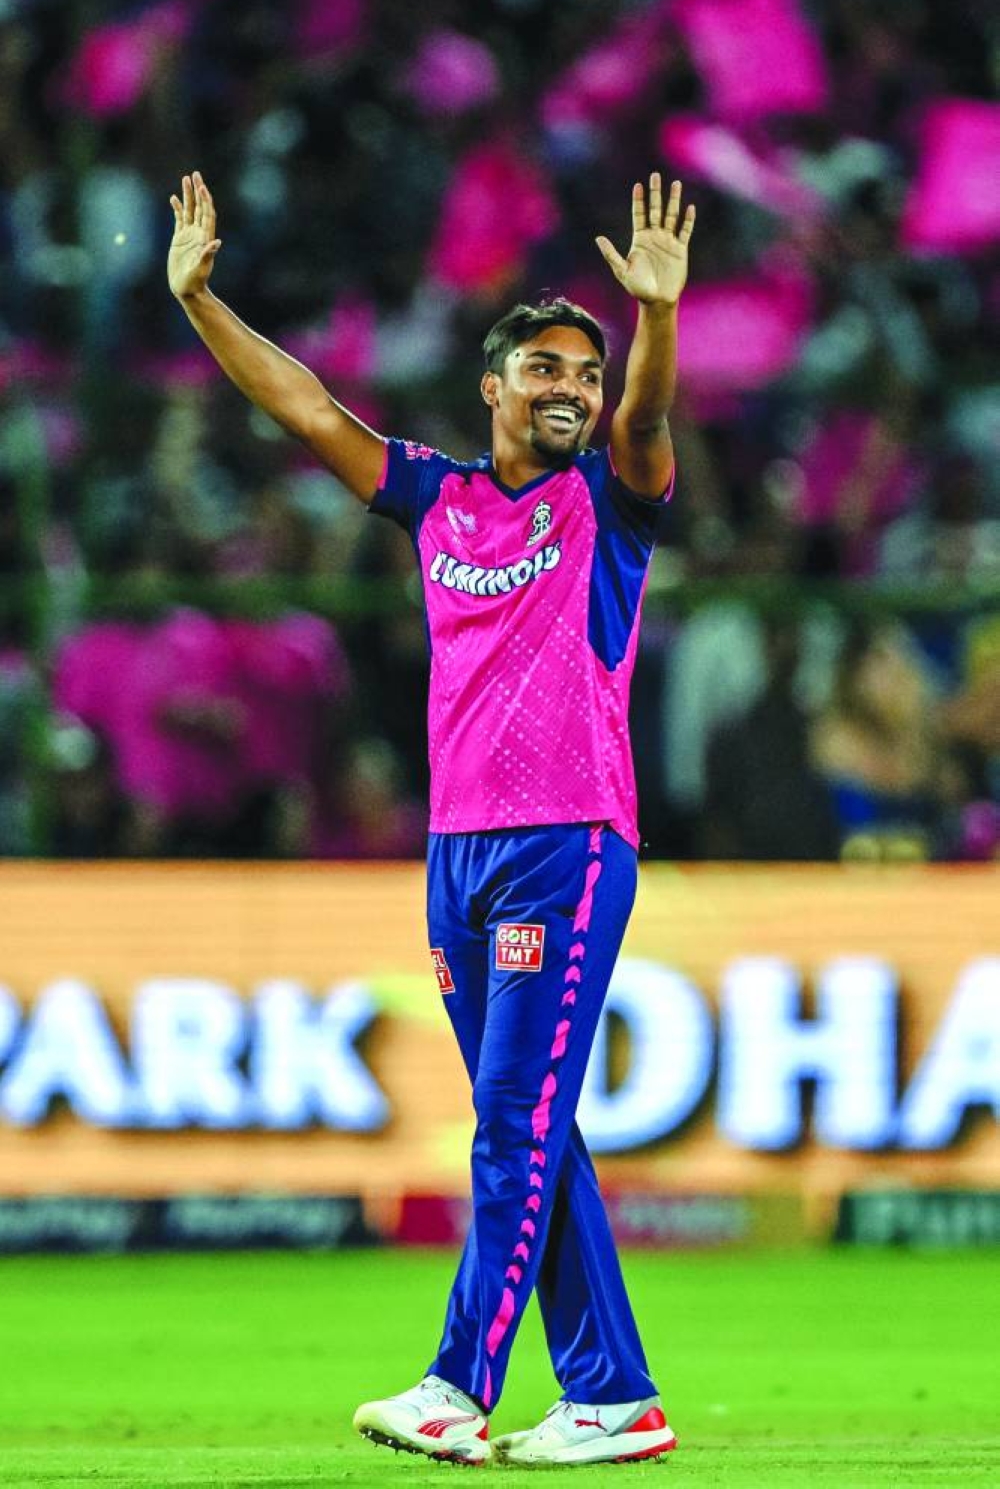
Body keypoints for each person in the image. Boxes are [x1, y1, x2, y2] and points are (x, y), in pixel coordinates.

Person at [168, 167, 694, 1467]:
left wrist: (659, 325)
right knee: (537, 1129)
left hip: (567, 845)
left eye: (587, 369)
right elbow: (306, 406)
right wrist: (197, 300)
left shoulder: (609, 507)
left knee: (512, 1124)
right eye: (549, 371)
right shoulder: (437, 500)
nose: (574, 386)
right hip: (458, 856)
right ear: (495, 390)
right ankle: (614, 1395)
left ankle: (457, 1384)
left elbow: (647, 417)